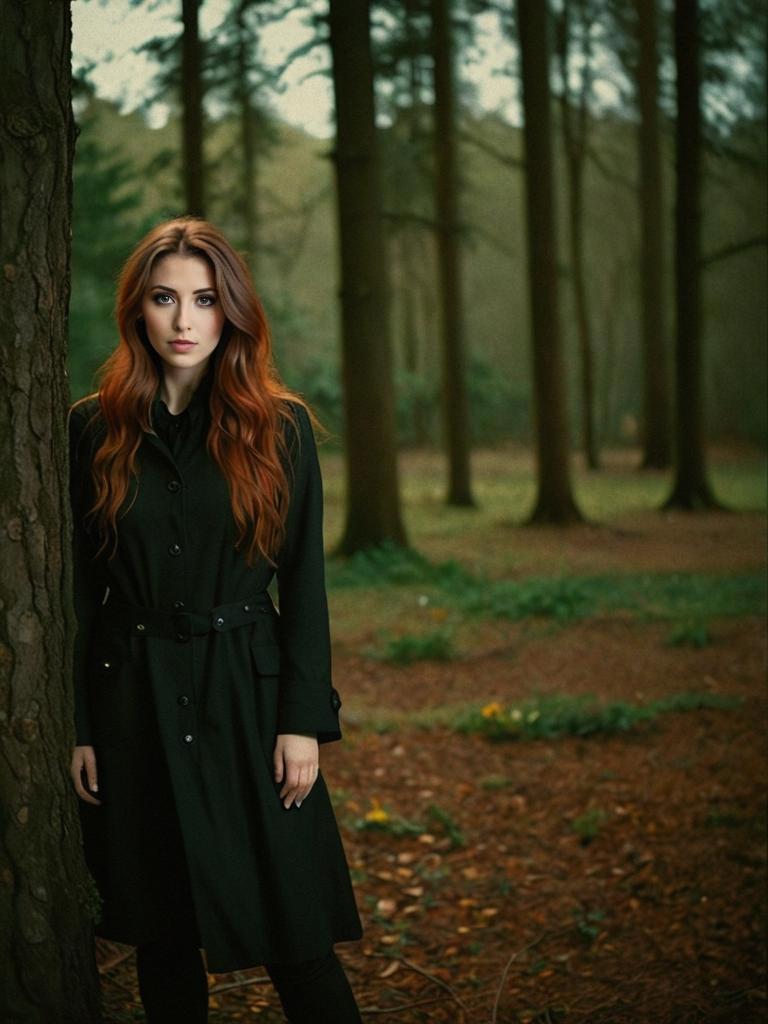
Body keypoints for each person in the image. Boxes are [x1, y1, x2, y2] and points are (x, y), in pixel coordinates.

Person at [68, 217, 364, 1023]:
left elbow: (304, 587)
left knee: (297, 938)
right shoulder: (92, 429)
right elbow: (74, 594)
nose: (185, 320)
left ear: (232, 310)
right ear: (138, 311)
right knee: (164, 943)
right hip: (134, 699)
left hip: (247, 697)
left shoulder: (282, 427)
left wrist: (303, 721)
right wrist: (79, 723)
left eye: (204, 299)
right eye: (165, 298)